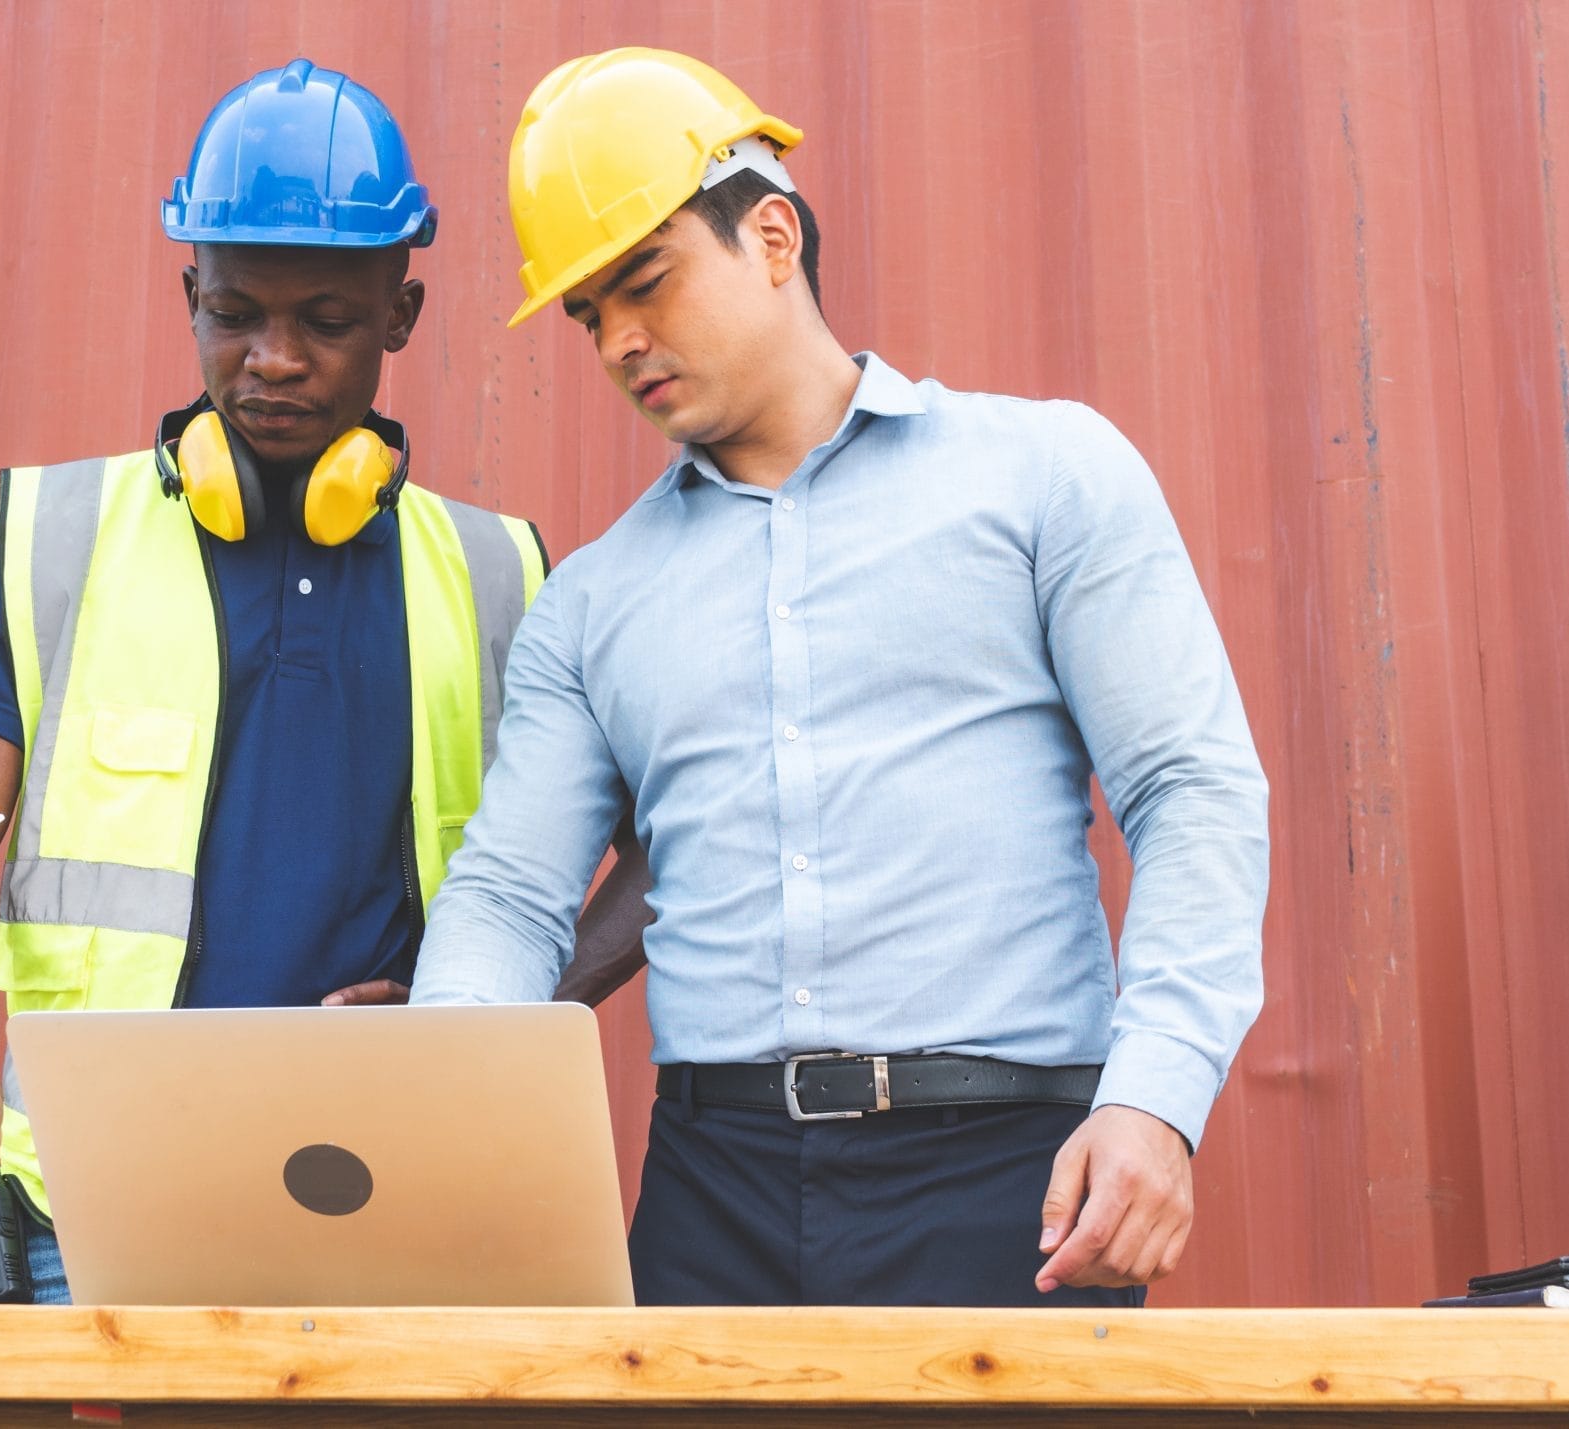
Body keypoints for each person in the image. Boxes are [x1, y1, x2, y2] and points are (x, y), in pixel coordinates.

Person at [412, 48, 1268, 1308]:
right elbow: (507, 894)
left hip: (1010, 1186)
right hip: (712, 1199)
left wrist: (1155, 1099)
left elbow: (1190, 792)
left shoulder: (1046, 478)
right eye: (589, 315)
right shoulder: (591, 604)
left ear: (769, 234)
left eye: (643, 282)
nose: (619, 343)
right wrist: (437, 1096)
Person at [0, 58, 647, 1304]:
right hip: (92, 1206)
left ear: (402, 315)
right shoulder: (50, 540)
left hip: (408, 1186)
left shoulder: (504, 575)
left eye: (326, 320)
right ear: (191, 297)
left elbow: (666, 844)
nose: (273, 359)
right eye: (234, 314)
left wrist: (514, 1007)